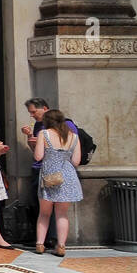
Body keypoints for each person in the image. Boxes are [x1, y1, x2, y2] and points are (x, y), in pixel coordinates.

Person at [32, 108, 82, 256]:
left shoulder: (43, 134)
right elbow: (76, 161)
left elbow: (38, 156)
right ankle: (61, 246)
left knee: (44, 213)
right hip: (67, 177)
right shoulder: (74, 137)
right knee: (62, 214)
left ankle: (40, 244)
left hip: (49, 176)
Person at [21, 98, 76, 209]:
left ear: (45, 109)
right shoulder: (38, 125)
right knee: (40, 207)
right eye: (30, 112)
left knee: (53, 209)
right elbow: (37, 154)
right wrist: (30, 137)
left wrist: (45, 142)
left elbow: (71, 148)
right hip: (39, 169)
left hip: (58, 171)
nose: (32, 115)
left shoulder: (67, 125)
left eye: (33, 111)